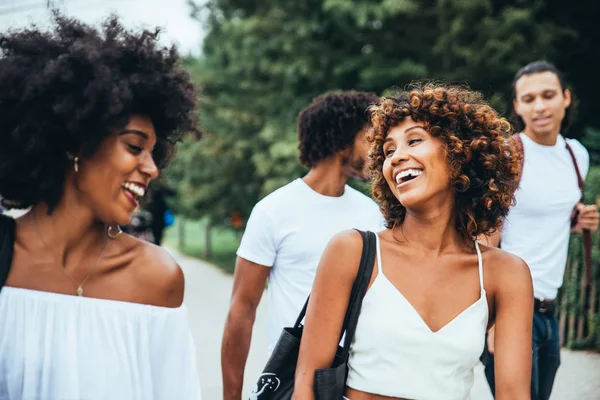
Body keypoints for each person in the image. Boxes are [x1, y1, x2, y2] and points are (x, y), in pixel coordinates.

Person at [0, 14, 202, 400]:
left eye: (154, 152)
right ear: (76, 142)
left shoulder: (157, 279)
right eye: (133, 146)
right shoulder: (4, 257)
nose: (152, 168)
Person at [293, 84, 534, 400]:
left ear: (460, 151)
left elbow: (514, 394)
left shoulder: (505, 273)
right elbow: (306, 388)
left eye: (414, 141)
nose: (397, 157)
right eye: (389, 150)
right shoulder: (352, 251)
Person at [221, 91, 384, 400]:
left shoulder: (373, 214)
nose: (377, 149)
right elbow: (241, 311)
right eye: (369, 137)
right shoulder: (274, 211)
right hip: (293, 381)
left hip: (360, 381)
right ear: (343, 139)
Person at [480, 61, 600, 400]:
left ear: (565, 98)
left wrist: (576, 218)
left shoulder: (576, 155)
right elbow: (485, 237)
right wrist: (490, 320)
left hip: (549, 310)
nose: (540, 106)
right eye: (529, 99)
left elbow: (548, 212)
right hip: (509, 309)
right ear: (517, 106)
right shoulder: (507, 156)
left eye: (548, 95)